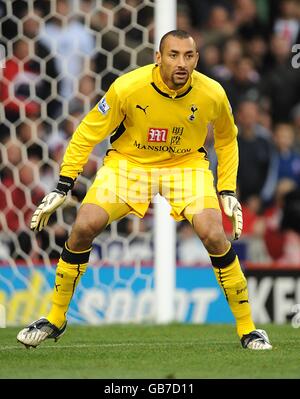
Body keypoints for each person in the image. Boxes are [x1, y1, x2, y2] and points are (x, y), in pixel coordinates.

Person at [17, 30, 271, 350]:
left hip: (185, 166)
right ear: (158, 58)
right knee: (83, 226)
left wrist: (228, 190)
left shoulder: (212, 93)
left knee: (213, 233)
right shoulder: (128, 87)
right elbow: (86, 133)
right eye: (174, 55)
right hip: (129, 165)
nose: (182, 63)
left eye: (189, 56)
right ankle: (55, 318)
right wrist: (64, 184)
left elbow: (227, 138)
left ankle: (248, 329)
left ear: (196, 59)